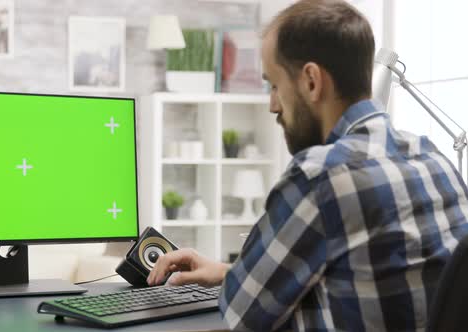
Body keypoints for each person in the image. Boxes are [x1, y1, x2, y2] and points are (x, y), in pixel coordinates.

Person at [147, 0, 468, 331]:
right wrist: (228, 272)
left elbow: (243, 316)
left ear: (312, 81)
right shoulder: (433, 159)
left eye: (274, 85)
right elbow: (371, 277)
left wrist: (237, 281)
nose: (273, 105)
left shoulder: (320, 175)